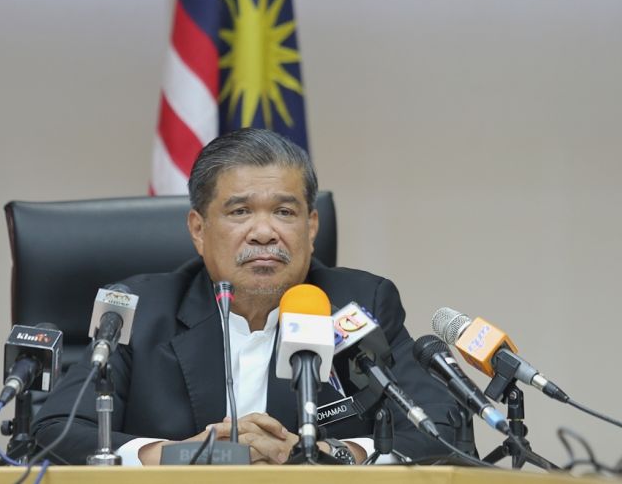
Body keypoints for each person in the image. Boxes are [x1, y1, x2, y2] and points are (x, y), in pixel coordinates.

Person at [32, 128, 474, 465]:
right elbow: (57, 429)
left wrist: (324, 454)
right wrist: (179, 456)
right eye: (240, 211)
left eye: (284, 212)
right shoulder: (140, 310)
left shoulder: (358, 304)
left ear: (311, 227)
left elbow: (440, 426)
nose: (264, 233)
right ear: (199, 231)